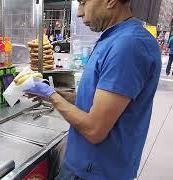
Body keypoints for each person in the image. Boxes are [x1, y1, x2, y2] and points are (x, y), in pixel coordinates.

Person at [25, 0, 161, 179]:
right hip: (84, 165)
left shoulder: (128, 45)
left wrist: (51, 96)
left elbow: (94, 130)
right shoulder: (112, 38)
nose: (80, 12)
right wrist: (55, 93)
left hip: (96, 172)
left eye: (83, 2)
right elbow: (92, 100)